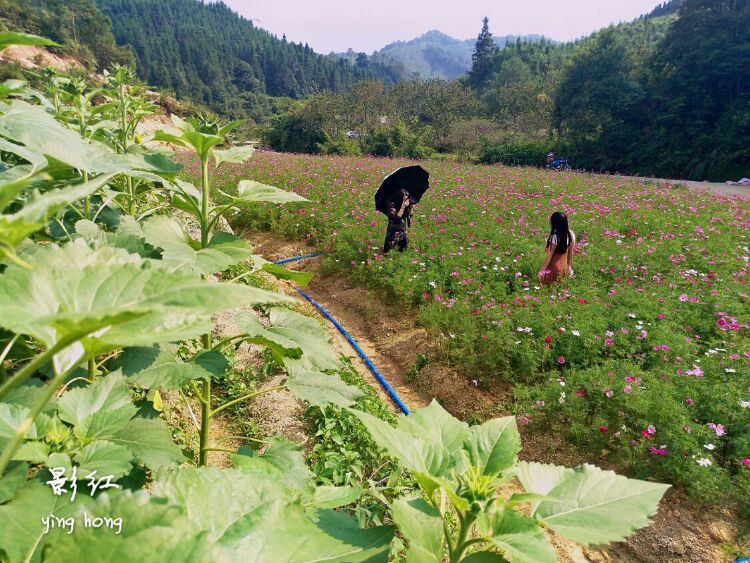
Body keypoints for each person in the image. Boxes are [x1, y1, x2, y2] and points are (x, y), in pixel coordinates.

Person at [539, 211, 576, 284]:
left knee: (546, 287)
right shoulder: (571, 234)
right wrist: (568, 267)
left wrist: (541, 271)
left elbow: (549, 255)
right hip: (564, 268)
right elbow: (570, 253)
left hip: (553, 269)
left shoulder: (555, 237)